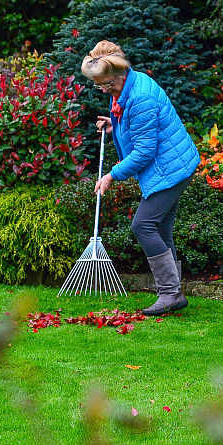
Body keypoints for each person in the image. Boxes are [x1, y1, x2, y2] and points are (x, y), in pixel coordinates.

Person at [82, 40, 200, 316]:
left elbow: (145, 151)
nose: (103, 89)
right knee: (159, 229)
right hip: (172, 165)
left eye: (106, 84)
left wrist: (112, 175)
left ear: (120, 74)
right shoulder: (127, 87)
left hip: (170, 169)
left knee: (144, 225)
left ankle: (170, 293)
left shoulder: (140, 96)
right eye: (99, 85)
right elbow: (140, 127)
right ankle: (173, 293)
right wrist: (115, 124)